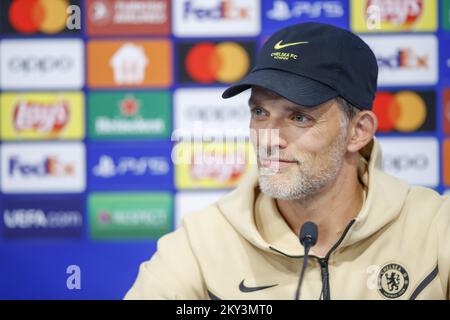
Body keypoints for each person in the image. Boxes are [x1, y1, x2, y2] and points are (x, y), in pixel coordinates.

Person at [125, 22, 450, 300]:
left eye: (299, 117)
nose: (269, 137)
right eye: (259, 112)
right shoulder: (202, 242)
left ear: (358, 131)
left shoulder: (435, 227)